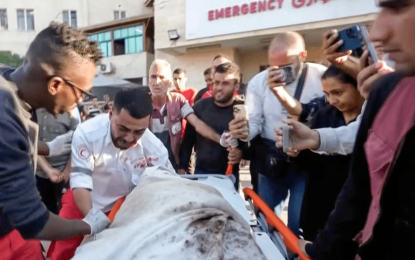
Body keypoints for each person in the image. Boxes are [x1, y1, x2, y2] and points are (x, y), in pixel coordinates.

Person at [296, 1, 415, 259]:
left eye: (400, 7)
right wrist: (319, 252)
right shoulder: (387, 91)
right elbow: (358, 193)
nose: (376, 33)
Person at [0, 22, 109, 260]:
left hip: (13, 227)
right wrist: (87, 225)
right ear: (55, 84)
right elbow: (35, 223)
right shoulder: (5, 118)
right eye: (82, 92)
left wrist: (47, 148)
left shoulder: (9, 80)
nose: (80, 101)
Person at [47, 88, 174, 260]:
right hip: (83, 199)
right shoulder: (87, 133)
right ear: (110, 114)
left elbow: (168, 188)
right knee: (63, 250)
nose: (129, 138)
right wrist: (92, 220)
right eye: (123, 128)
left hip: (123, 208)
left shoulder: (155, 149)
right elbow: (80, 183)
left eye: (139, 132)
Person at [246, 32, 326, 236]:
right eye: (273, 67)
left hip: (308, 160)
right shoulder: (258, 81)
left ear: (303, 55)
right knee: (265, 220)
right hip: (272, 160)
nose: (279, 73)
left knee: (299, 223)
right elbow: (254, 121)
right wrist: (242, 131)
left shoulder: (321, 77)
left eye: (286, 66)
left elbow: (329, 119)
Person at [295, 66, 364, 251]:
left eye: (338, 92)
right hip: (319, 205)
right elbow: (308, 162)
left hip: (355, 210)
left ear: (359, 85)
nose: (332, 100)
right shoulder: (323, 115)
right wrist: (295, 151)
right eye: (327, 94)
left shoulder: (374, 120)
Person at [149, 59, 230, 171]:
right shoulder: (141, 103)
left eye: (161, 77)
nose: (157, 81)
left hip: (172, 166)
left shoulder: (178, 101)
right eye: (153, 77)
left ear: (169, 82)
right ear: (148, 81)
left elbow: (197, 124)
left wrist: (220, 140)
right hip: (148, 168)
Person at [179, 63, 246, 190]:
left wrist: (241, 153)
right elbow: (188, 141)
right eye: (216, 82)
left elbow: (250, 144)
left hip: (229, 176)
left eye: (225, 83)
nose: (219, 87)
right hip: (201, 173)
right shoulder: (200, 107)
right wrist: (182, 167)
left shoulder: (241, 110)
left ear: (236, 86)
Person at [36, 107, 80, 214]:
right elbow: (31, 144)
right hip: (40, 173)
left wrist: (65, 173)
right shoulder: (33, 110)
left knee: (66, 211)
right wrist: (48, 169)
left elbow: (79, 144)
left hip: (65, 174)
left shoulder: (71, 110)